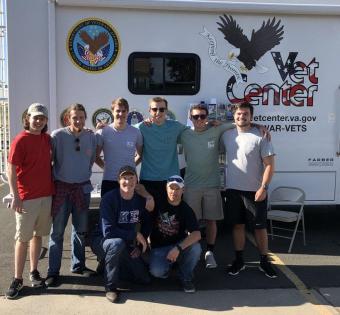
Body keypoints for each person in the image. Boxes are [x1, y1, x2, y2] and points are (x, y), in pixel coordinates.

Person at [220, 102, 277, 278]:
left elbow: (269, 166)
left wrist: (264, 187)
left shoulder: (261, 136)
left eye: (245, 114)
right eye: (238, 114)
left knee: (259, 228)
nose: (241, 117)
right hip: (233, 190)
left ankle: (264, 261)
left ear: (251, 116)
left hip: (255, 191)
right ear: (234, 116)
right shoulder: (226, 135)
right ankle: (239, 261)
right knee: (238, 226)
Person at [46, 103, 99, 286]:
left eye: (81, 117)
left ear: (85, 118)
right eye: (75, 117)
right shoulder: (57, 136)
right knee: (57, 233)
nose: (78, 120)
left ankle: (78, 265)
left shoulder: (91, 137)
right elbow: (50, 161)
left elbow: (91, 161)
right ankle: (53, 271)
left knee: (80, 231)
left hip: (81, 189)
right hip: (62, 188)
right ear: (68, 118)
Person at [5, 103, 54, 299]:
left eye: (42, 118)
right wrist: (15, 195)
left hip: (46, 196)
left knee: (38, 236)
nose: (39, 121)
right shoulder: (20, 140)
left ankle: (34, 272)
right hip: (26, 199)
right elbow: (11, 170)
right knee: (22, 239)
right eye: (35, 117)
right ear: (28, 118)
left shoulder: (47, 139)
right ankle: (17, 279)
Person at [179, 103, 235, 269]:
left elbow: (239, 123)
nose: (199, 120)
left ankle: (209, 252)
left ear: (207, 117)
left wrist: (259, 126)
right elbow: (162, 131)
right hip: (191, 186)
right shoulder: (184, 134)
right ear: (190, 118)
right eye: (196, 116)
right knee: (192, 222)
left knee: (211, 221)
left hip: (212, 185)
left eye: (203, 116)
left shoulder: (216, 129)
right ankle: (192, 251)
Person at [100, 165, 153, 303]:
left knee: (144, 279)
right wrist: (135, 235)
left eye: (131, 178)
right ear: (118, 180)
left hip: (126, 243)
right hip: (103, 240)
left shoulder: (140, 200)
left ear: (136, 181)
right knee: (117, 244)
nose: (128, 182)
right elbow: (108, 231)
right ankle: (110, 287)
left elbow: (148, 222)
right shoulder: (109, 198)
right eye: (124, 178)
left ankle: (109, 266)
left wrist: (140, 247)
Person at [149, 175, 201, 293]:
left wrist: (178, 248)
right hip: (159, 247)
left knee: (196, 248)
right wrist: (147, 197)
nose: (174, 191)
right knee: (156, 272)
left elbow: (197, 234)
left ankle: (185, 277)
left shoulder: (186, 209)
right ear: (166, 189)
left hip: (179, 246)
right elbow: (139, 187)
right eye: (171, 188)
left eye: (177, 189)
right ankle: (170, 267)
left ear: (183, 190)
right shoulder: (157, 201)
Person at [137, 97, 187, 201]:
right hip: (148, 179)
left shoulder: (175, 126)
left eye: (162, 109)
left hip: (172, 180)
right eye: (155, 109)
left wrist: (211, 125)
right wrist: (104, 127)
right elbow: (123, 129)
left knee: (171, 216)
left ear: (166, 110)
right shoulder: (142, 126)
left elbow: (195, 130)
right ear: (149, 111)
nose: (158, 112)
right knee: (150, 214)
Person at [95, 97, 143, 196]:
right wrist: (107, 168)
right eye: (118, 111)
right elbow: (96, 156)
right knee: (108, 211)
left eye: (123, 111)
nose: (120, 114)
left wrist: (131, 167)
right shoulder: (103, 132)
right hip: (109, 180)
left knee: (130, 211)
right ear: (112, 112)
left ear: (127, 112)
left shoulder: (136, 132)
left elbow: (140, 155)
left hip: (130, 180)